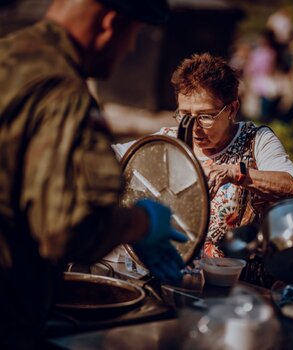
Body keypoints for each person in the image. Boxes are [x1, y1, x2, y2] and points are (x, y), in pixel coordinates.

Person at [0, 1, 188, 348]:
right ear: (110, 24)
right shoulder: (62, 92)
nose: (130, 49)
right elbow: (67, 230)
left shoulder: (8, 57)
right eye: (133, 36)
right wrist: (140, 223)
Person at [114, 53, 293, 285]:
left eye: (206, 116)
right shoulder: (168, 141)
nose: (195, 128)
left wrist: (237, 173)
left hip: (233, 282)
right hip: (169, 274)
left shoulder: (255, 140)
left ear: (232, 109)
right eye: (185, 115)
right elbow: (114, 158)